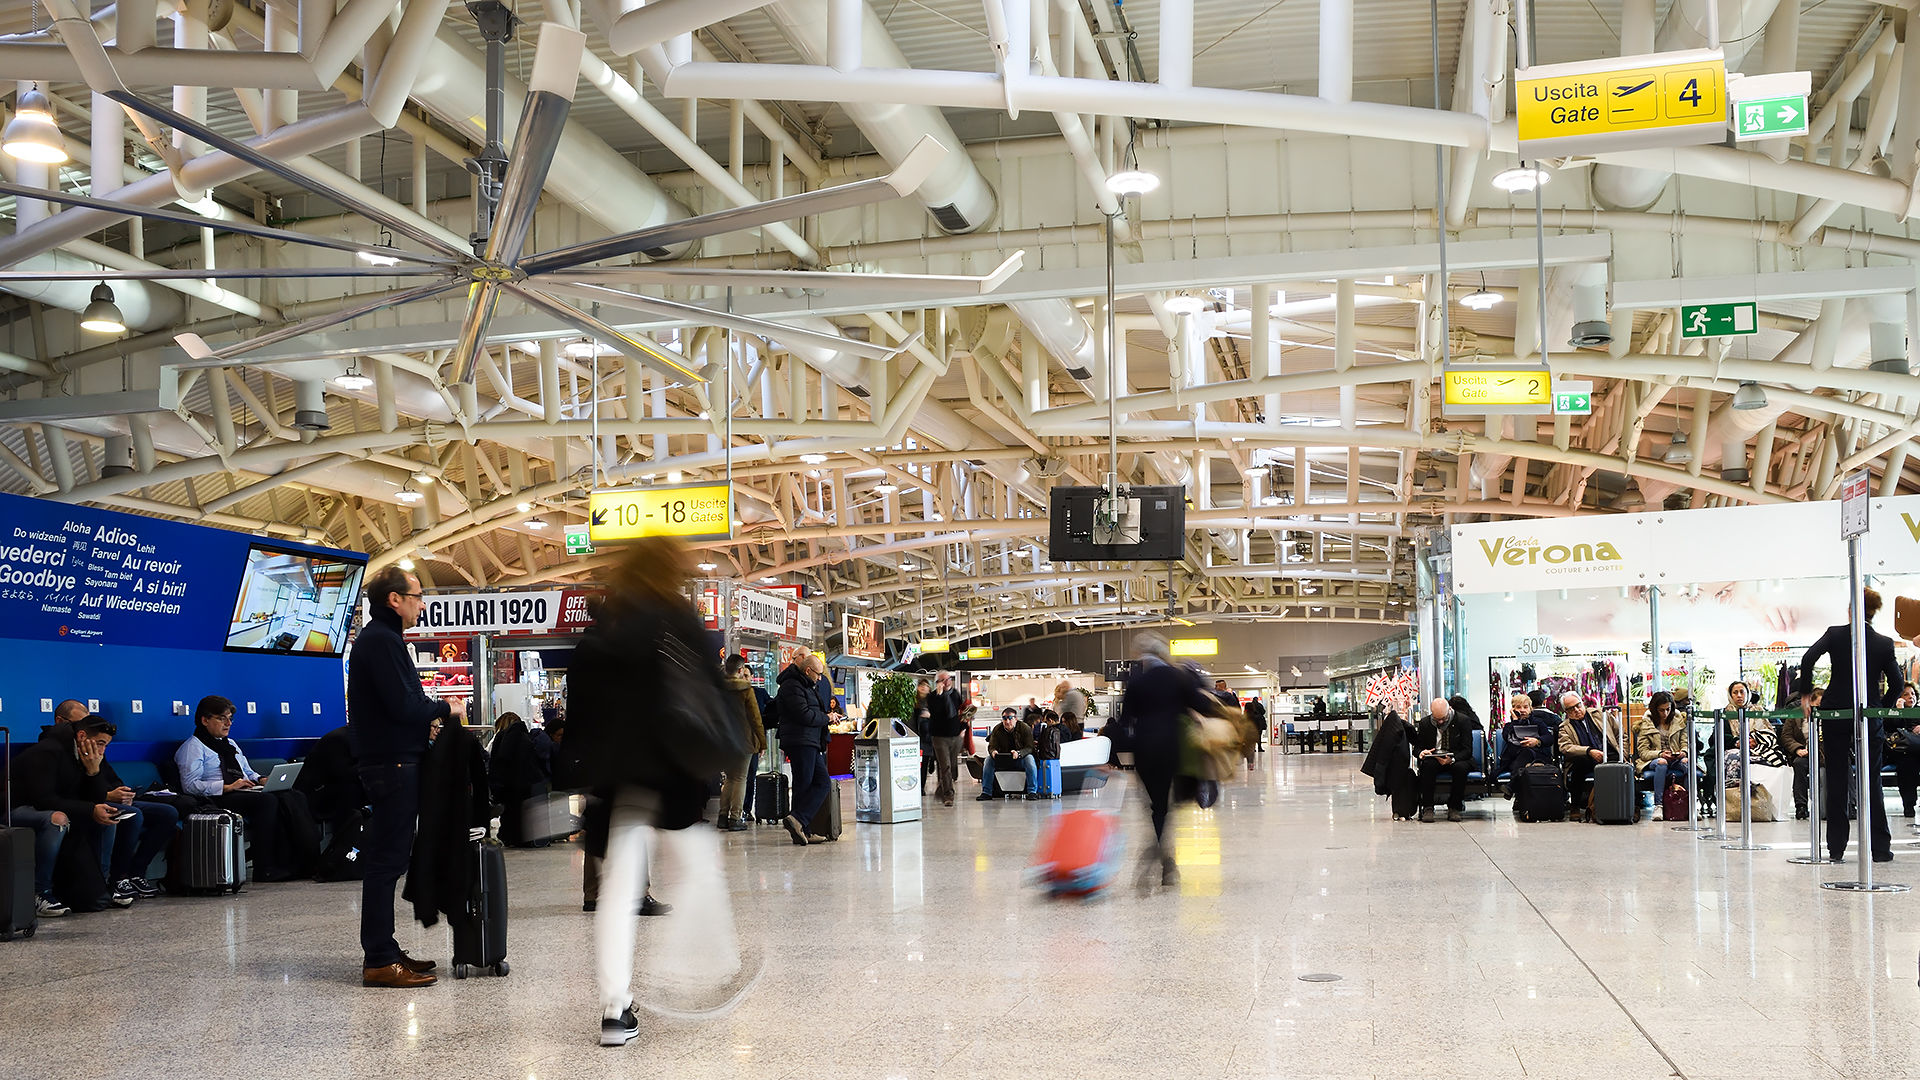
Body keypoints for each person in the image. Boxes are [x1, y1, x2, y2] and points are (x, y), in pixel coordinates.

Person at [566, 538, 740, 1047]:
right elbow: (707, 688)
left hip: (620, 780)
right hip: (672, 768)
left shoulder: (608, 622)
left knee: (618, 892)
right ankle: (696, 974)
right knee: (700, 869)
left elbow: (582, 712)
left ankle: (616, 1010)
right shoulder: (676, 618)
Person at [348, 565, 461, 990]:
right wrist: (444, 709)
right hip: (391, 764)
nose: (422, 603)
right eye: (416, 595)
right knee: (385, 862)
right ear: (393, 599)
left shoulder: (383, 640)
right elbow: (403, 704)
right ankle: (378, 958)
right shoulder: (381, 641)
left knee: (390, 859)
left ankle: (386, 949)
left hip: (392, 760)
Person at [1799, 586, 1902, 863]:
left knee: (1836, 779)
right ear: (1873, 612)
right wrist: (1880, 707)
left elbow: (1808, 658)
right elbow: (1898, 684)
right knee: (1872, 780)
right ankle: (1880, 848)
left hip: (1836, 711)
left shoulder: (1835, 634)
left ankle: (1836, 848)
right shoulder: (1883, 642)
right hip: (1869, 713)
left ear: (1850, 610)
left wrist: (1807, 694)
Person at [1111, 632, 1222, 888]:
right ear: (1163, 654)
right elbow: (1202, 705)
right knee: (1174, 802)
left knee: (1157, 805)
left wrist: (1115, 756)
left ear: (1142, 656)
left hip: (1146, 751)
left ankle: (1161, 849)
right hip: (1174, 749)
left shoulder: (1136, 681)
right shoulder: (1178, 677)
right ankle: (1164, 853)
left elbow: (1124, 721)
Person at [174, 696, 319, 883]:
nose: (228, 724)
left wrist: (260, 779)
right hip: (217, 796)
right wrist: (227, 787)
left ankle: (298, 861)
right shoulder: (192, 747)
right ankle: (264, 867)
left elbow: (246, 771)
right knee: (266, 802)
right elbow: (190, 785)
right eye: (221, 718)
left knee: (292, 796)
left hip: (241, 791)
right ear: (204, 720)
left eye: (230, 719)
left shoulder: (230, 744)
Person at [52, 699, 175, 899]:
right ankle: (117, 878)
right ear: (61, 721)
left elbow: (111, 777)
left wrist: (123, 791)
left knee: (167, 813)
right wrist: (108, 795)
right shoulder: (56, 748)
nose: (85, 728)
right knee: (133, 814)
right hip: (89, 802)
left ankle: (137, 873)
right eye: (80, 723)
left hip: (110, 797)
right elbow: (72, 789)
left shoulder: (93, 743)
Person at [10, 714, 132, 912]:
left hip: (54, 805)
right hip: (16, 809)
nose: (101, 751)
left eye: (106, 746)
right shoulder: (48, 751)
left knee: (108, 815)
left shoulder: (87, 755)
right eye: (100, 743)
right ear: (82, 736)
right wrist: (90, 809)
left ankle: (104, 884)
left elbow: (96, 798)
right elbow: (44, 799)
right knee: (58, 818)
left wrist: (93, 772)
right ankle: (40, 892)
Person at [775, 653, 832, 846]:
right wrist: (827, 718)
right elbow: (805, 715)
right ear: (808, 670)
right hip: (801, 741)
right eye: (818, 674)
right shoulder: (792, 686)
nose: (819, 678)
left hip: (809, 741)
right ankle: (799, 820)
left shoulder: (804, 685)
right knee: (809, 784)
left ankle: (802, 828)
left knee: (814, 783)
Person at [487, 711, 553, 847]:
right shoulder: (526, 737)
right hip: (531, 784)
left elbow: (498, 764)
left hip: (511, 785)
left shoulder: (502, 738)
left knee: (511, 813)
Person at [718, 654, 766, 831]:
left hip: (725, 740)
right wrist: (762, 742)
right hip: (744, 741)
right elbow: (755, 718)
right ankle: (735, 818)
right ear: (740, 670)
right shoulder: (745, 689)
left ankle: (722, 816)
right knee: (740, 778)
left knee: (729, 778)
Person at [1411, 698, 1476, 822]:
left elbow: (1467, 750)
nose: (1440, 722)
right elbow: (1417, 748)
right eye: (1437, 719)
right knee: (1427, 766)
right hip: (1434, 757)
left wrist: (1452, 759)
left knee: (1460, 768)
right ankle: (1428, 807)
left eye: (1443, 718)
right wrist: (1422, 753)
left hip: (1457, 757)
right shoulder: (1425, 723)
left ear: (1449, 710)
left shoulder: (1463, 720)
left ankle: (1454, 807)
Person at [1556, 693, 1617, 822]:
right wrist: (1589, 751)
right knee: (1579, 764)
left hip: (1609, 753)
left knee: (1620, 766)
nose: (1576, 710)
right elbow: (1565, 747)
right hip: (1585, 758)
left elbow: (1620, 734)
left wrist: (1624, 752)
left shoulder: (1600, 714)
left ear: (1582, 702)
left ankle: (1626, 805)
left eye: (1578, 705)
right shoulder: (1564, 727)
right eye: (1571, 709)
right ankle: (1575, 806)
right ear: (1566, 711)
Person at [1633, 691, 1692, 819]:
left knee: (1687, 762)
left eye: (1667, 709)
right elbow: (1643, 752)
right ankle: (1658, 805)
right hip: (1654, 759)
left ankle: (1689, 803)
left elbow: (1685, 742)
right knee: (1662, 762)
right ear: (1654, 709)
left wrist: (1683, 752)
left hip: (1676, 757)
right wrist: (1660, 754)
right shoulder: (1646, 724)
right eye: (1661, 710)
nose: (1665, 713)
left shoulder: (1679, 721)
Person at [980, 708, 1038, 799]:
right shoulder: (997, 729)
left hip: (1020, 759)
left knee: (1030, 759)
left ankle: (1032, 791)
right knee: (988, 760)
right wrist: (993, 752)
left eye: (1010, 718)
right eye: (1004, 718)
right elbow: (991, 746)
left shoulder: (1024, 728)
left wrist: (1019, 753)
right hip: (1003, 759)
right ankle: (986, 792)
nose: (1007, 721)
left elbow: (1030, 747)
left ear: (1016, 719)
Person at [926, 672, 965, 806]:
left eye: (948, 679)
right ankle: (948, 795)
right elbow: (936, 712)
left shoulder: (955, 694)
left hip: (955, 735)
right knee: (945, 766)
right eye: (943, 680)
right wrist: (940, 695)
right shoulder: (933, 697)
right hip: (939, 736)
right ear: (938, 682)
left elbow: (961, 712)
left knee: (953, 766)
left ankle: (942, 788)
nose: (947, 682)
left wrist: (963, 728)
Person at [1499, 691, 1555, 776]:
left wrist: (1537, 741)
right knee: (1525, 756)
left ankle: (1511, 787)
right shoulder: (1509, 726)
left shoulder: (1538, 723)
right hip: (1515, 758)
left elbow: (1549, 738)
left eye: (1525, 707)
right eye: (1518, 707)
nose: (1522, 710)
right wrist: (1515, 721)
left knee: (1527, 755)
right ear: (1513, 709)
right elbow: (1506, 737)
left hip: (1537, 756)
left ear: (1530, 709)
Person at [1886, 683, 1920, 819]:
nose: (1910, 697)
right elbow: (1891, 728)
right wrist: (1899, 711)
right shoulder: (1894, 712)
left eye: (1912, 694)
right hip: (1902, 750)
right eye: (1905, 694)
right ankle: (1909, 804)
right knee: (1907, 765)